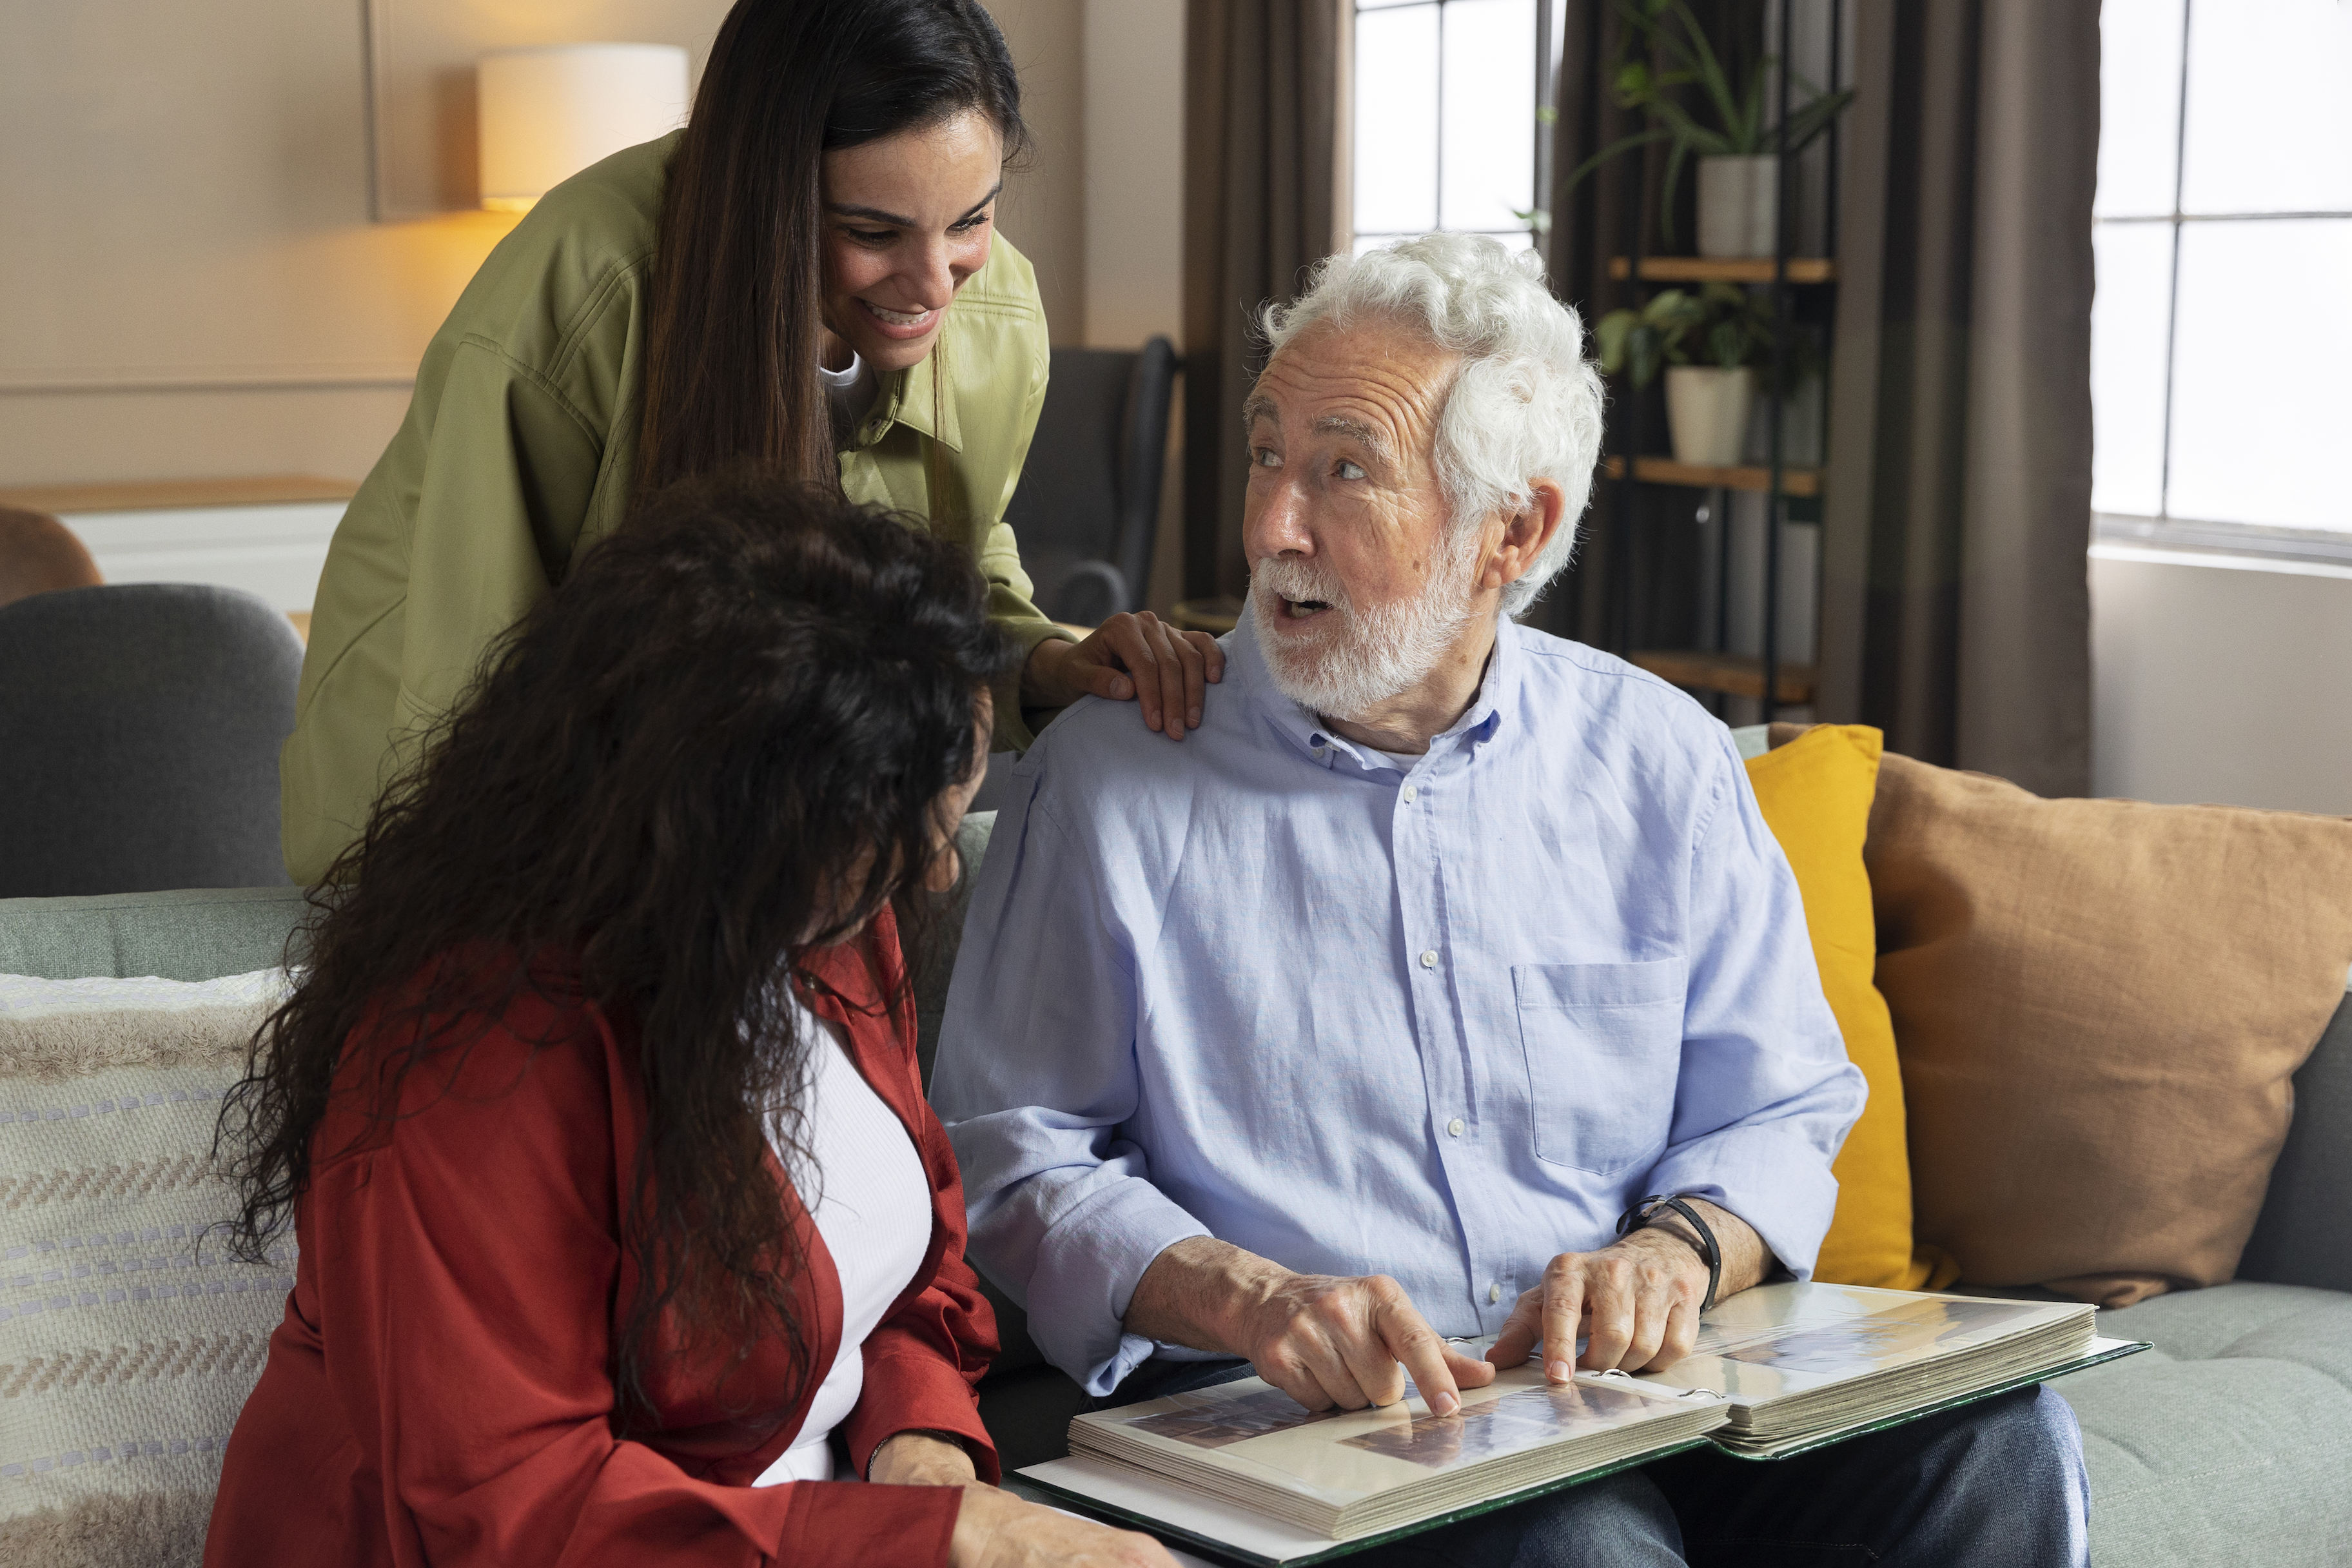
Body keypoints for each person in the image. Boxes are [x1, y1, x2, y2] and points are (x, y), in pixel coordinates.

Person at [932, 234, 2092, 1565]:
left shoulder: (1660, 758)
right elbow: (1011, 1149)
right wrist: (1246, 1296)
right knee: (1577, 1550)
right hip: (1311, 1419)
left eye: (1344, 469)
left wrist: (1680, 1252)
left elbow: (1777, 1099)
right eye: (1267, 453)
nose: (1270, 526)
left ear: (1514, 530)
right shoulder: (1112, 774)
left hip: (1651, 1390)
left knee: (2004, 1447)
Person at [208, 478, 1173, 1568]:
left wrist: (921, 1442)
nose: (940, 875)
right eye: (914, 833)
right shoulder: (468, 1050)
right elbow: (513, 1512)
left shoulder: (832, 922)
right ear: (739, 825)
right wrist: (934, 1541)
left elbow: (914, 1275)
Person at [280, 0, 1220, 886]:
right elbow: (468, 675)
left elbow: (956, 569)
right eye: (871, 231)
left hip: (750, 823)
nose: (936, 282)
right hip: (461, 808)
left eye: (971, 219)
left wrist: (1048, 662)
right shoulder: (585, 288)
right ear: (772, 195)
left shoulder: (997, 317)